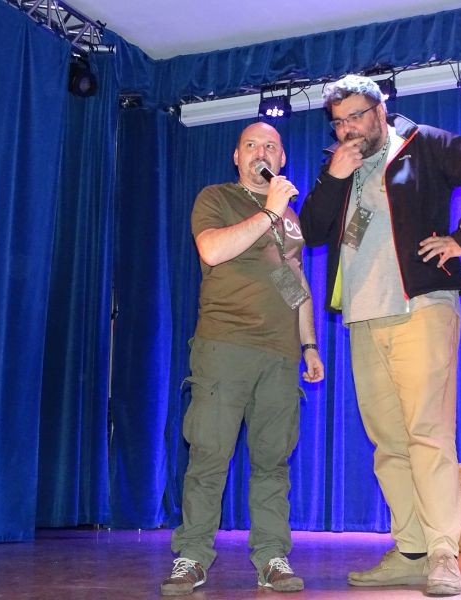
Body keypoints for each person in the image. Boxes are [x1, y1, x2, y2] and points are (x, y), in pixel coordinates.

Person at [299, 75, 461, 597]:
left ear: (380, 110)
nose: (347, 129)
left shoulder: (424, 144)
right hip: (362, 316)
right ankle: (412, 550)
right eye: (338, 122)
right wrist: (333, 177)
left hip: (421, 306)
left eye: (355, 116)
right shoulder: (339, 164)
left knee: (427, 433)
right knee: (389, 442)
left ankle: (443, 552)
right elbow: (311, 231)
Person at [161, 122, 324, 596]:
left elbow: (292, 282)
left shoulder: (291, 219)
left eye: (270, 145)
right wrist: (269, 211)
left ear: (282, 158)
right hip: (224, 347)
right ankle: (192, 556)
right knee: (209, 456)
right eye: (251, 145)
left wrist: (309, 344)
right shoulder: (216, 198)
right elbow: (212, 250)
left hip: (279, 355)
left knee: (273, 461)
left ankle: (272, 557)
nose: (261, 152)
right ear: (237, 156)